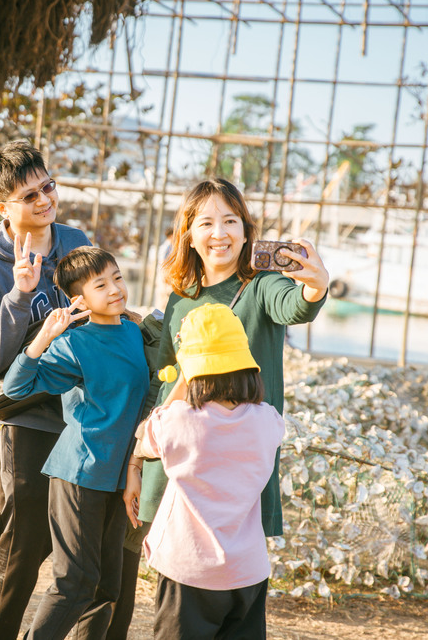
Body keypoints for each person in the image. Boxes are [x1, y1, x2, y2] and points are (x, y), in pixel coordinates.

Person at [111, 178, 328, 636]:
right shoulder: (181, 297)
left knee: (220, 583)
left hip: (235, 465)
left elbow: (294, 306)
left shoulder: (262, 285)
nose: (220, 233)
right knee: (171, 576)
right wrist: (135, 463)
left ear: (247, 232)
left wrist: (315, 287)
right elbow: (165, 383)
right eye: (206, 223)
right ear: (189, 235)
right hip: (178, 455)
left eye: (230, 221)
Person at [0, 141, 92, 640]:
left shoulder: (74, 241)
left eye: (48, 187)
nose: (44, 200)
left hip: (73, 411)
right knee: (23, 534)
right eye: (29, 196)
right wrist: (20, 295)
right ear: (3, 207)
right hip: (18, 413)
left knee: (58, 539)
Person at [3, 246, 150, 640]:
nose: (115, 289)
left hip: (118, 478)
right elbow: (16, 388)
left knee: (106, 588)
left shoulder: (134, 332)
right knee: (75, 582)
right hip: (80, 473)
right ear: (79, 299)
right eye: (101, 285)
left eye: (117, 278)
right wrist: (44, 338)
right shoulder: (74, 343)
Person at [134, 302, 285, 638]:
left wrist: (182, 377)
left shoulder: (179, 421)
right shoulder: (267, 420)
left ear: (194, 372)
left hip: (189, 569)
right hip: (248, 571)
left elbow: (144, 437)